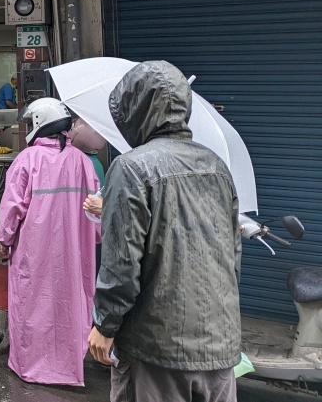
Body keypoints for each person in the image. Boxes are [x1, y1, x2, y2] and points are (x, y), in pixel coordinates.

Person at [87, 61, 241, 402]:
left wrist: (105, 324)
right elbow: (232, 256)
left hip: (155, 350)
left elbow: (121, 264)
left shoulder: (131, 167)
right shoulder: (216, 166)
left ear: (134, 111)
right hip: (220, 344)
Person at [0, 98, 101, 386]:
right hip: (76, 252)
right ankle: (67, 366)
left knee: (31, 304)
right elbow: (99, 212)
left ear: (40, 123)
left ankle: (31, 364)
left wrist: (3, 240)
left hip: (34, 250)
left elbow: (13, 207)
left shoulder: (27, 159)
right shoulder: (82, 160)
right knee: (71, 303)